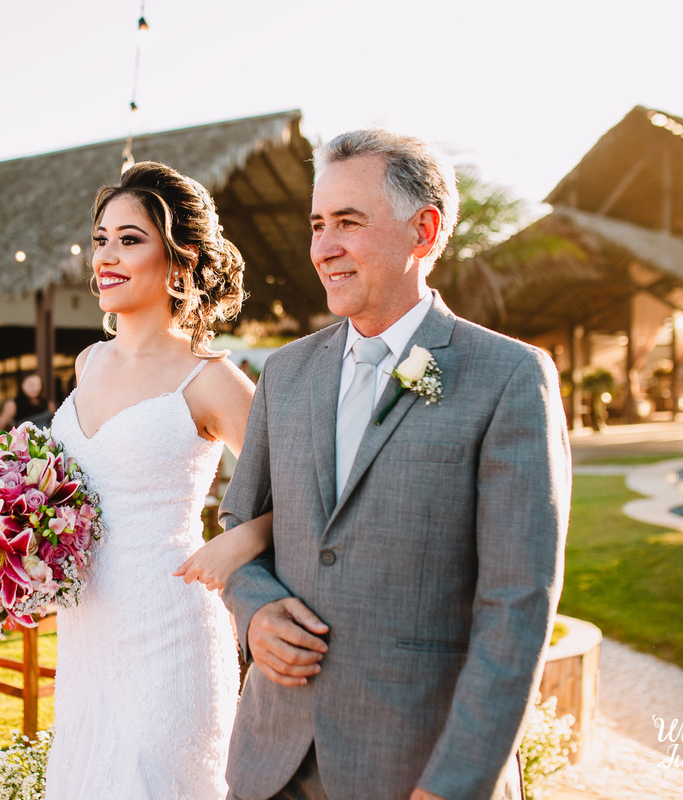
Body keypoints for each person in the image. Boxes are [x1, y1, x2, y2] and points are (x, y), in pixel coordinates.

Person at [218, 128, 572, 800]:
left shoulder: (509, 377)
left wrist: (452, 786)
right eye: (318, 225)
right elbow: (243, 517)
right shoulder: (285, 374)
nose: (324, 247)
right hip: (271, 763)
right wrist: (255, 611)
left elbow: (516, 606)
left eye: (348, 223)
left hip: (416, 766)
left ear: (424, 230)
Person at [45, 161, 268, 799]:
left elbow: (307, 489)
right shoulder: (88, 363)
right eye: (100, 239)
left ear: (180, 261)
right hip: (87, 626)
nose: (106, 256)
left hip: (169, 624)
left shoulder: (209, 379)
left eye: (130, 239)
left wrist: (240, 540)